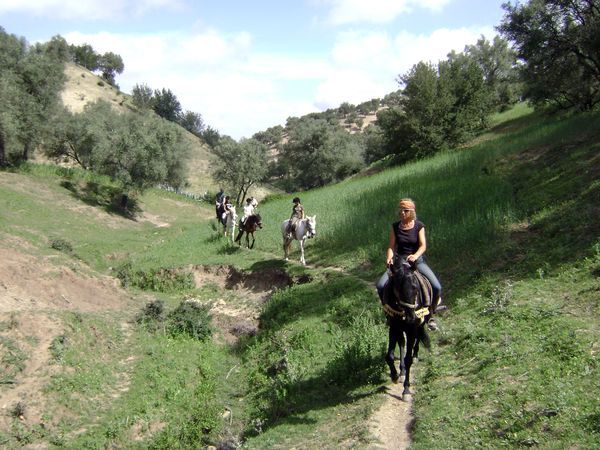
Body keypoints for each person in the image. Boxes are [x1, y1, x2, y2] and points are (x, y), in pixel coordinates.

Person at [375, 198, 442, 331]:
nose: (402, 213)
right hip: (399, 263)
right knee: (381, 285)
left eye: (405, 210)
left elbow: (423, 245)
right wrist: (389, 257)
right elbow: (391, 246)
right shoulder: (395, 226)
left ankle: (431, 315)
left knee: (437, 287)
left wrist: (415, 255)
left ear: (412, 212)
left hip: (416, 262)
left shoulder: (419, 226)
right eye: (401, 210)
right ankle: (388, 314)